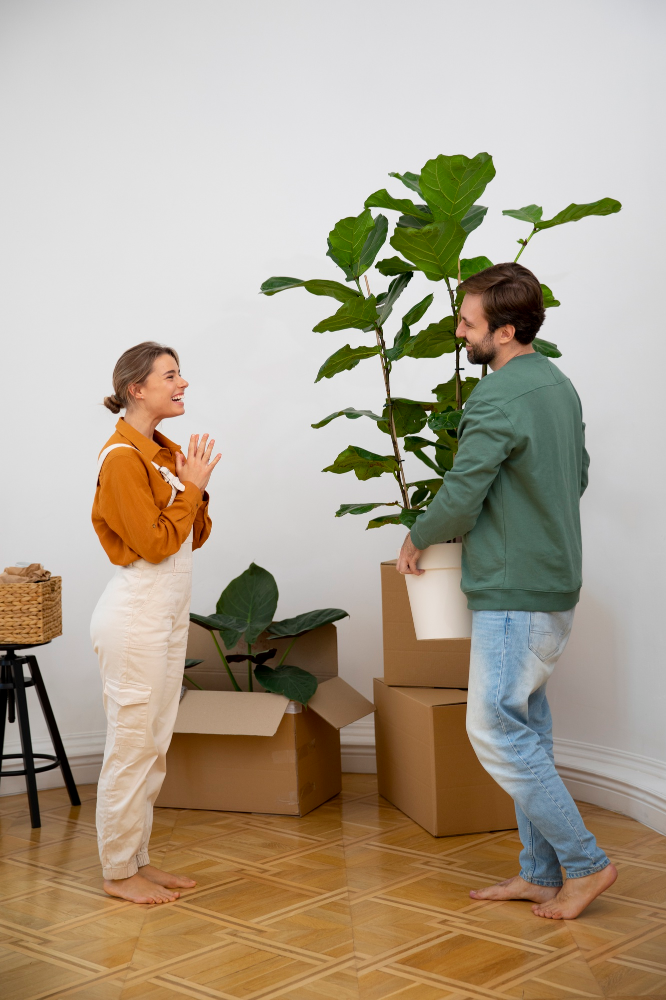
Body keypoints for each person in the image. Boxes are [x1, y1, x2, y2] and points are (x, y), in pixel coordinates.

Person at [397, 263, 617, 920]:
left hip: (514, 594)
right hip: (553, 586)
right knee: (529, 730)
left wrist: (418, 537)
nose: (460, 331)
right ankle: (541, 873)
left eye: (468, 323)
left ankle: (586, 864)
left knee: (494, 725)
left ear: (507, 328)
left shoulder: (495, 397)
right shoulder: (558, 384)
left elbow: (462, 497)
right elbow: (574, 476)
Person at [91, 341, 221, 904]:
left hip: (166, 615)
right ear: (135, 389)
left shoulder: (160, 452)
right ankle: (117, 872)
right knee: (131, 743)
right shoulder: (122, 459)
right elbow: (152, 543)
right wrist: (190, 488)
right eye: (170, 376)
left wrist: (192, 485)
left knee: (154, 742)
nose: (183, 383)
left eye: (181, 374)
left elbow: (194, 534)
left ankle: (136, 859)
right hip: (136, 615)